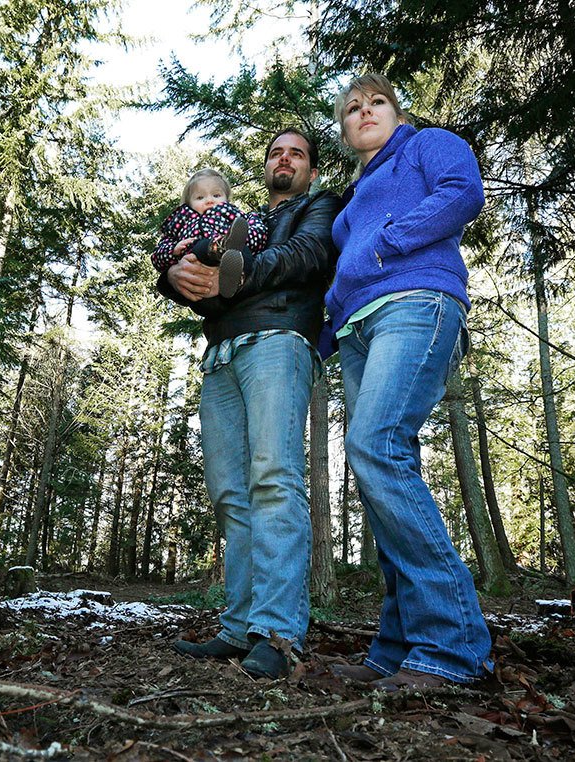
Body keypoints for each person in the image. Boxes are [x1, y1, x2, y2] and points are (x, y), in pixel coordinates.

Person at [325, 73, 493, 692]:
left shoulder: (428, 145)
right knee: (377, 476)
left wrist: (387, 243)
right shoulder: (351, 199)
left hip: (417, 302)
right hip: (358, 330)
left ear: (397, 114)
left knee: (377, 446)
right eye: (352, 109)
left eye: (377, 102)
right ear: (344, 130)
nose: (365, 112)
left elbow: (461, 193)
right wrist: (328, 329)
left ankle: (454, 648)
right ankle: (396, 647)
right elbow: (342, 272)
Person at [163, 129, 340, 679]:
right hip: (221, 353)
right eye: (274, 153)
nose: (284, 160)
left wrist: (232, 274)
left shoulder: (319, 206)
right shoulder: (228, 221)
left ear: (310, 168)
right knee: (230, 494)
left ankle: (279, 633)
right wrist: (175, 276)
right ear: (265, 166)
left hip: (279, 339)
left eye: (297, 153)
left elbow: (309, 256)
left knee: (273, 479)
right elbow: (190, 274)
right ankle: (239, 627)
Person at [151, 168, 269, 298]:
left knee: (243, 253)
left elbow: (259, 232)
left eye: (216, 195)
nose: (209, 200)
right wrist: (172, 251)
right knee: (201, 245)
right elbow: (157, 256)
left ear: (227, 198)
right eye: (200, 197)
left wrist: (245, 239)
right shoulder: (180, 223)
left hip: (230, 272)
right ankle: (218, 247)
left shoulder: (234, 215)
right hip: (197, 270)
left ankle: (233, 280)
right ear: (189, 204)